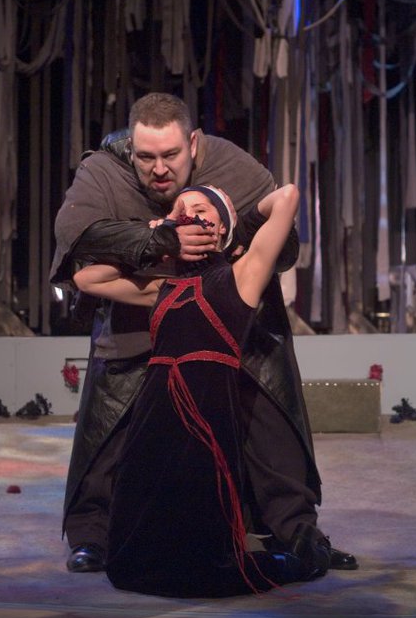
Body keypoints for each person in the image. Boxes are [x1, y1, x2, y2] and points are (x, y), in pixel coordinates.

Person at [49, 92, 357, 576]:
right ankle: (93, 533)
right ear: (131, 149)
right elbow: (75, 241)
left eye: (171, 155)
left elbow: (285, 239)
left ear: (193, 144)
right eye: (146, 157)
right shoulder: (104, 172)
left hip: (225, 328)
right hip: (141, 322)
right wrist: (158, 239)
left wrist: (237, 240)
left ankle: (295, 527)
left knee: (267, 409)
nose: (159, 170)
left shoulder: (233, 167)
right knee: (114, 423)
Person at [73, 183, 326, 596]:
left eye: (202, 210)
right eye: (180, 211)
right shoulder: (161, 287)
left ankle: (289, 559)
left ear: (222, 226)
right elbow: (87, 278)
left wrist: (238, 228)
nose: (188, 215)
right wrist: (156, 237)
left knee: (199, 541)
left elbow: (288, 196)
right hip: (153, 415)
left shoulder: (242, 277)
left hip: (204, 413)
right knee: (130, 554)